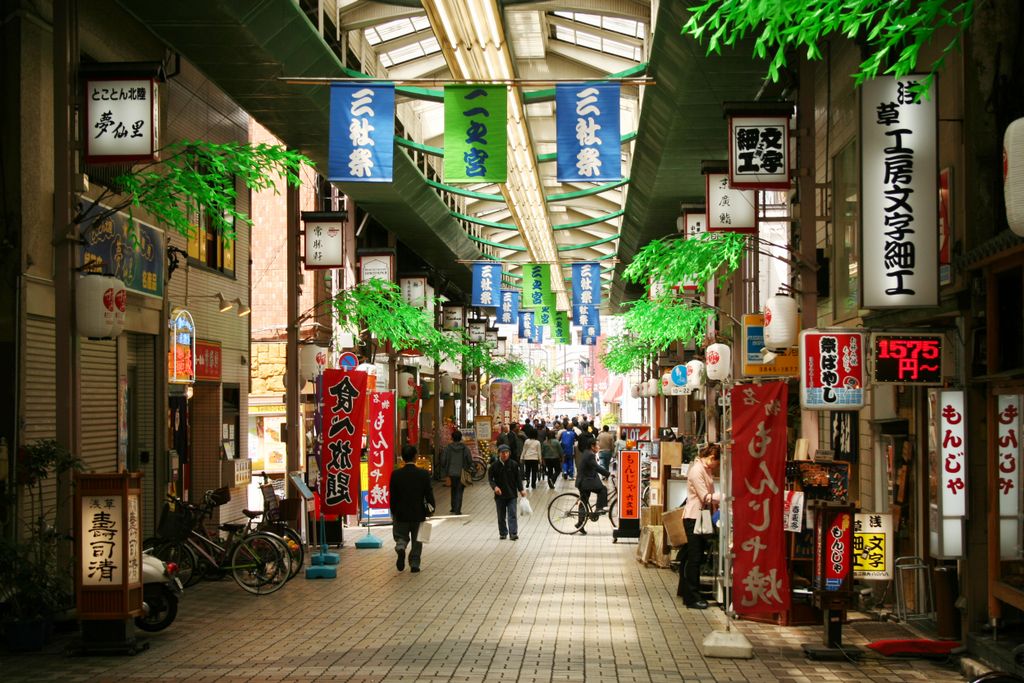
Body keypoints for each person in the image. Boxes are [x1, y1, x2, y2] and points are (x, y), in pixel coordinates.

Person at [678, 443, 721, 608]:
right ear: (711, 458)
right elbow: (705, 496)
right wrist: (722, 496)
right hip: (694, 517)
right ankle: (692, 597)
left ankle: (687, 591)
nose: (716, 467)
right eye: (717, 463)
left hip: (701, 517)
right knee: (695, 557)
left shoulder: (706, 469)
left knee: (692, 556)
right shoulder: (697, 470)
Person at [389, 444, 435, 573]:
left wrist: (393, 511)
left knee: (401, 535)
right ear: (415, 457)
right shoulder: (423, 474)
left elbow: (392, 495)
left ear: (403, 458)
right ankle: (415, 563)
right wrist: (432, 508)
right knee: (417, 539)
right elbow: (429, 493)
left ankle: (401, 546)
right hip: (418, 512)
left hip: (401, 512)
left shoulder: (396, 475)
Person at [488, 443, 527, 540]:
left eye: (506, 452)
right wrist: (495, 487)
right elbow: (490, 479)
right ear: (499, 454)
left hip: (511, 495)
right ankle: (503, 532)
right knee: (501, 516)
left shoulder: (514, 464)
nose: (504, 454)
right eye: (502, 453)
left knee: (512, 514)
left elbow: (518, 479)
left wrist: (521, 489)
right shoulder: (494, 466)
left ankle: (513, 533)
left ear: (509, 453)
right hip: (499, 496)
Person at [575, 437, 610, 536]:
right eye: (597, 445)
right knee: (603, 489)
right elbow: (596, 467)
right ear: (592, 446)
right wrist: (608, 473)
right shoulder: (590, 455)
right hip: (586, 482)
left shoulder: (587, 452)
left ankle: (579, 524)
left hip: (584, 481)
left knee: (584, 503)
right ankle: (599, 508)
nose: (598, 447)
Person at [441, 430, 473, 514]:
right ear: (461, 438)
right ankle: (457, 509)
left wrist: (445, 468)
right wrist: (467, 467)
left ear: (452, 438)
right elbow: (470, 460)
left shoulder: (448, 448)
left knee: (453, 489)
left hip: (451, 472)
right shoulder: (465, 448)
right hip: (461, 472)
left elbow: (443, 460)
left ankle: (453, 507)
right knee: (459, 490)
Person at [520, 425, 542, 489]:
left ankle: (527, 481)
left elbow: (524, 450)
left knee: (527, 471)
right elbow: (539, 452)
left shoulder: (526, 441)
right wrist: (540, 460)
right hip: (535, 459)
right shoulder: (537, 442)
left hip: (527, 458)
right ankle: (533, 484)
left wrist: (521, 458)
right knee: (534, 472)